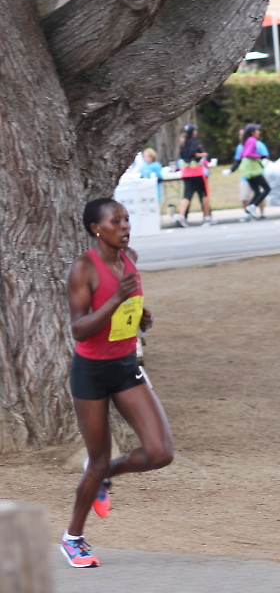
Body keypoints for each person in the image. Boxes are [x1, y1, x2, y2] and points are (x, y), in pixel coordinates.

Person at [60, 198, 173, 569]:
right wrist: (117, 300)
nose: (125, 226)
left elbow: (130, 305)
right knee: (97, 459)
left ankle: (107, 475)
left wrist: (141, 314)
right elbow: (79, 329)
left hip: (125, 365)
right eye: (116, 220)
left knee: (160, 452)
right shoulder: (83, 269)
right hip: (91, 372)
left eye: (127, 219)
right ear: (96, 228)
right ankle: (73, 538)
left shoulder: (130, 259)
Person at [223, 128, 269, 220]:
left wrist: (262, 161)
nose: (241, 136)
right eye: (240, 135)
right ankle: (248, 212)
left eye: (242, 134)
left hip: (256, 172)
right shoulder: (241, 146)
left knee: (259, 193)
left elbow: (265, 157)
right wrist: (231, 170)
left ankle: (260, 213)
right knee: (247, 196)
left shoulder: (257, 143)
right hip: (247, 174)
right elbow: (239, 160)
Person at [177, 124, 214, 226]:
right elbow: (194, 153)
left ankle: (182, 215)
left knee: (187, 195)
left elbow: (182, 156)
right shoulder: (195, 142)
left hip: (186, 172)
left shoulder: (183, 143)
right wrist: (204, 155)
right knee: (204, 194)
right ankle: (207, 217)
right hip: (197, 172)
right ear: (193, 132)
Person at [239, 124, 271, 219]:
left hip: (247, 169)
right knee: (267, 189)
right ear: (253, 133)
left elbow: (242, 155)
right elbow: (248, 154)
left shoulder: (246, 141)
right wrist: (260, 156)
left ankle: (250, 208)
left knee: (257, 192)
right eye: (257, 130)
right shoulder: (252, 140)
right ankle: (252, 206)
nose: (259, 132)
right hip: (253, 169)